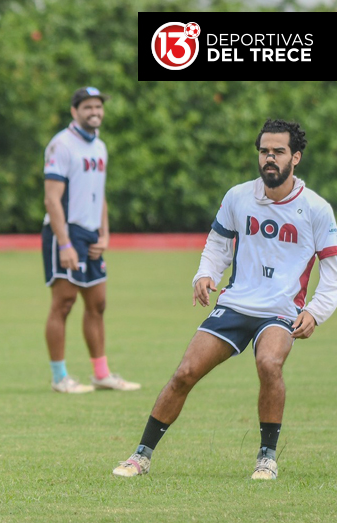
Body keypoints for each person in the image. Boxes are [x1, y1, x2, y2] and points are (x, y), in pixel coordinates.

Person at [112, 119, 337, 480]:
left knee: (269, 364)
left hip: (281, 310)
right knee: (185, 372)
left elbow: (332, 268)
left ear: (295, 157)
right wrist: (205, 275)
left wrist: (316, 311)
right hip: (235, 304)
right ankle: (140, 456)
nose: (269, 158)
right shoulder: (238, 196)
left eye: (278, 151)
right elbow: (218, 242)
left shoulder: (316, 209)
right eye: (264, 151)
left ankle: (266, 458)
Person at [41, 86, 139, 393]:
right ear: (74, 111)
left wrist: (105, 233)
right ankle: (60, 377)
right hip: (66, 231)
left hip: (92, 234)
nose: (94, 112)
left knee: (98, 304)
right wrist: (65, 243)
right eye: (88, 107)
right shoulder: (61, 145)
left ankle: (101, 373)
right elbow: (52, 200)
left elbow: (100, 195)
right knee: (64, 303)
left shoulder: (100, 147)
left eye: (98, 107)